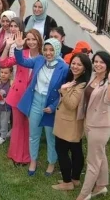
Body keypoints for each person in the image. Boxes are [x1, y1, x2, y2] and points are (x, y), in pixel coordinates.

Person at [70, 52, 110, 200]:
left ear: (108, 64)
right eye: (96, 61)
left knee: (93, 161)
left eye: (101, 62)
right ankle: (101, 186)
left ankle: (84, 195)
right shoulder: (94, 76)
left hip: (100, 126)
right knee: (101, 155)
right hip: (89, 122)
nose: (98, 64)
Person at [14, 35, 69, 176]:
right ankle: (33, 160)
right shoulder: (39, 60)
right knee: (34, 134)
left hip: (51, 105)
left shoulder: (64, 68)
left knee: (50, 136)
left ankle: (51, 162)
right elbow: (22, 61)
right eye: (46, 49)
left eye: (51, 50)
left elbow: (65, 91)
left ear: (57, 50)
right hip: (36, 101)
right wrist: (19, 47)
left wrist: (53, 106)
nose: (48, 53)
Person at [0, 19, 38, 166]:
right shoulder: (23, 53)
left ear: (39, 41)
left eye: (34, 39)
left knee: (29, 126)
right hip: (18, 94)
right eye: (29, 39)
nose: (32, 42)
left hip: (33, 96)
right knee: (18, 125)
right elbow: (3, 63)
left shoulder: (42, 57)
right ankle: (16, 155)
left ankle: (27, 156)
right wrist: (8, 45)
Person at [53, 53, 92, 191]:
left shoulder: (81, 86)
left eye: (79, 64)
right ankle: (75, 179)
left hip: (68, 124)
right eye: (73, 63)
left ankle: (67, 182)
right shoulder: (75, 81)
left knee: (62, 151)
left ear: (85, 68)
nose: (75, 66)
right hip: (70, 123)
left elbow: (71, 104)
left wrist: (63, 89)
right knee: (76, 151)